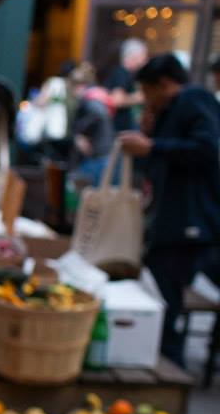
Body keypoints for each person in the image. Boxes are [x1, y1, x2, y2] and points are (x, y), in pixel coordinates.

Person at [119, 53, 220, 368]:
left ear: (163, 84)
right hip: (172, 220)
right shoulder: (169, 110)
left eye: (147, 91)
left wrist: (153, 146)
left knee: (167, 296)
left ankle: (169, 364)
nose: (144, 98)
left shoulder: (194, 100)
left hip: (188, 222)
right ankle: (161, 357)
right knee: (161, 290)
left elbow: (207, 150)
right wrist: (150, 133)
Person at [67, 62, 115, 187]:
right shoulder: (98, 95)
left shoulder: (90, 99)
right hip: (104, 151)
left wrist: (80, 133)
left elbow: (97, 115)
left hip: (98, 153)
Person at [103, 38, 148, 132]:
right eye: (144, 56)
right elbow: (116, 100)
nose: (145, 60)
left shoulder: (127, 74)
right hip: (118, 130)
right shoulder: (121, 73)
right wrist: (138, 97)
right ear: (134, 56)